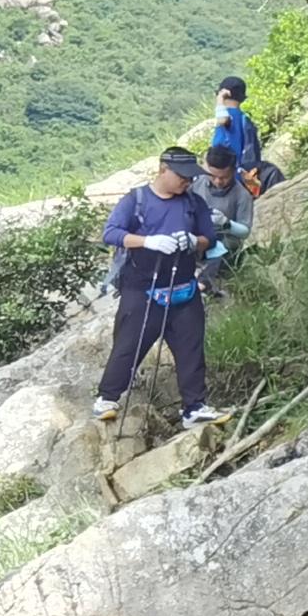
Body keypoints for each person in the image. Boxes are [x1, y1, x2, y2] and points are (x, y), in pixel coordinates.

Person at [94, 145, 224, 428]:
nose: (188, 181)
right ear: (163, 170)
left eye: (191, 177)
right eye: (182, 176)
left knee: (190, 347)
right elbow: (111, 233)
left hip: (183, 285)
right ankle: (107, 398)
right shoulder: (136, 200)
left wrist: (194, 241)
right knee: (130, 344)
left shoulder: (194, 203)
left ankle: (195, 407)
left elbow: (209, 238)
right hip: (141, 287)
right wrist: (147, 242)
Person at [197, 143, 259, 281]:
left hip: (224, 243)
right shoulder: (197, 184)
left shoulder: (242, 195)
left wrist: (226, 223)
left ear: (233, 171)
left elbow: (245, 231)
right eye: (213, 176)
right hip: (199, 239)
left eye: (224, 177)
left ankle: (203, 284)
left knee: (221, 258)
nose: (218, 181)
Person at [209, 75, 268, 193]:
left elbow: (222, 119)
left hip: (226, 174)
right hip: (242, 173)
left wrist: (220, 99)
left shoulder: (230, 115)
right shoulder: (244, 118)